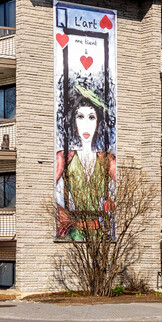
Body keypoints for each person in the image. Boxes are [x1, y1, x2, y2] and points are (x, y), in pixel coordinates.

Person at [55, 85, 116, 238]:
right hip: (74, 235)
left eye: (91, 117)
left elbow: (126, 188)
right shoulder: (64, 157)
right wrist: (64, 217)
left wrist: (111, 203)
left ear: (98, 122)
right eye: (80, 117)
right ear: (73, 121)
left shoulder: (106, 159)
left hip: (100, 234)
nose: (86, 124)